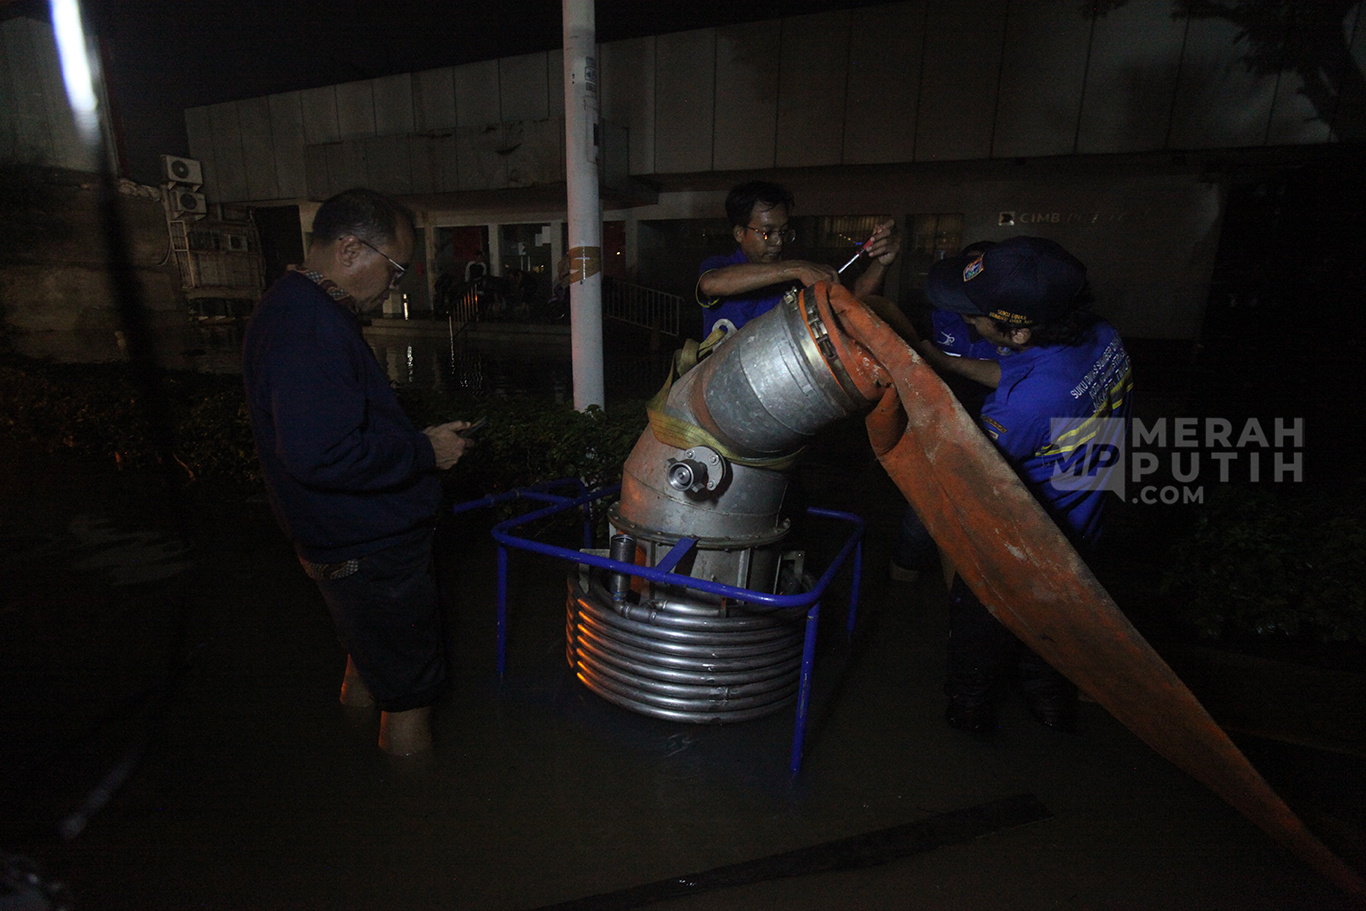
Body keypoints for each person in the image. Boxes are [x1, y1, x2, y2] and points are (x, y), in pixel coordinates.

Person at [242, 187, 475, 757]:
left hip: (336, 540)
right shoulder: (311, 327)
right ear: (349, 250)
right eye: (394, 270)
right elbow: (322, 453)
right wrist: (427, 453)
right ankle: (419, 820)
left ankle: (356, 776)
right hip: (372, 548)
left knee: (370, 659)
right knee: (410, 695)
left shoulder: (291, 305)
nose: (397, 286)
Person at [914, 236, 1133, 734]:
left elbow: (970, 473)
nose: (968, 323)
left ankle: (970, 711)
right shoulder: (1101, 338)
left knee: (980, 624)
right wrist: (945, 362)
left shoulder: (1021, 408)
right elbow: (1029, 376)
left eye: (977, 316)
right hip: (1087, 516)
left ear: (1017, 332)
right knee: (1059, 632)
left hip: (1028, 540)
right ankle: (1050, 704)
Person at [696, 181, 901, 337]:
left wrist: (881, 263)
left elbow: (851, 303)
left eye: (784, 232)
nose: (778, 242)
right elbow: (710, 284)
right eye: (767, 233)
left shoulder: (796, 281)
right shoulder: (720, 267)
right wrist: (796, 268)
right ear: (740, 233)